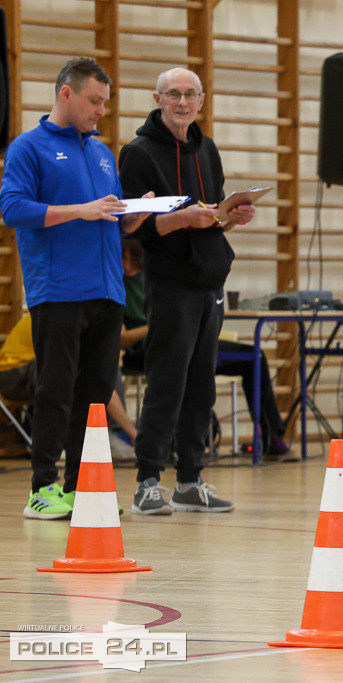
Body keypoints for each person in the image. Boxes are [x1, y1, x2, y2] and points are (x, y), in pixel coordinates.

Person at [0, 58, 149, 520]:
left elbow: (114, 224)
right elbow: (12, 208)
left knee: (96, 394)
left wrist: (138, 214)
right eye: (94, 101)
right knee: (56, 390)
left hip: (108, 293)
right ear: (66, 94)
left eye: (105, 102)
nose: (101, 110)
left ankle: (80, 487)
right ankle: (42, 488)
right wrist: (79, 209)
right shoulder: (29, 148)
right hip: (59, 290)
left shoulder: (104, 154)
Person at [118, 67, 255, 515]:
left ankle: (191, 480)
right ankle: (147, 481)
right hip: (169, 282)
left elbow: (211, 213)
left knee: (201, 386)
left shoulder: (207, 148)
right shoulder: (137, 153)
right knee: (167, 383)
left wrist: (230, 218)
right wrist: (183, 218)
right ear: (158, 99)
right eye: (172, 94)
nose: (181, 102)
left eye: (189, 95)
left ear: (201, 100)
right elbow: (135, 228)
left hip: (210, 280)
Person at [119, 238, 290, 457]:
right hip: (145, 347)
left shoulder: (154, 275)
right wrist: (156, 324)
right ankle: (170, 445)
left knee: (254, 357)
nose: (127, 261)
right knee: (180, 362)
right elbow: (123, 339)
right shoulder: (120, 283)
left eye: (130, 256)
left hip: (186, 334)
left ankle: (271, 435)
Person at [0, 312, 138, 463]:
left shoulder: (81, 312)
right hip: (11, 376)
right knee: (71, 370)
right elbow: (102, 386)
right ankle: (53, 442)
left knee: (99, 370)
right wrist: (133, 433)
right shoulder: (75, 318)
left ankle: (107, 434)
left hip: (29, 370)